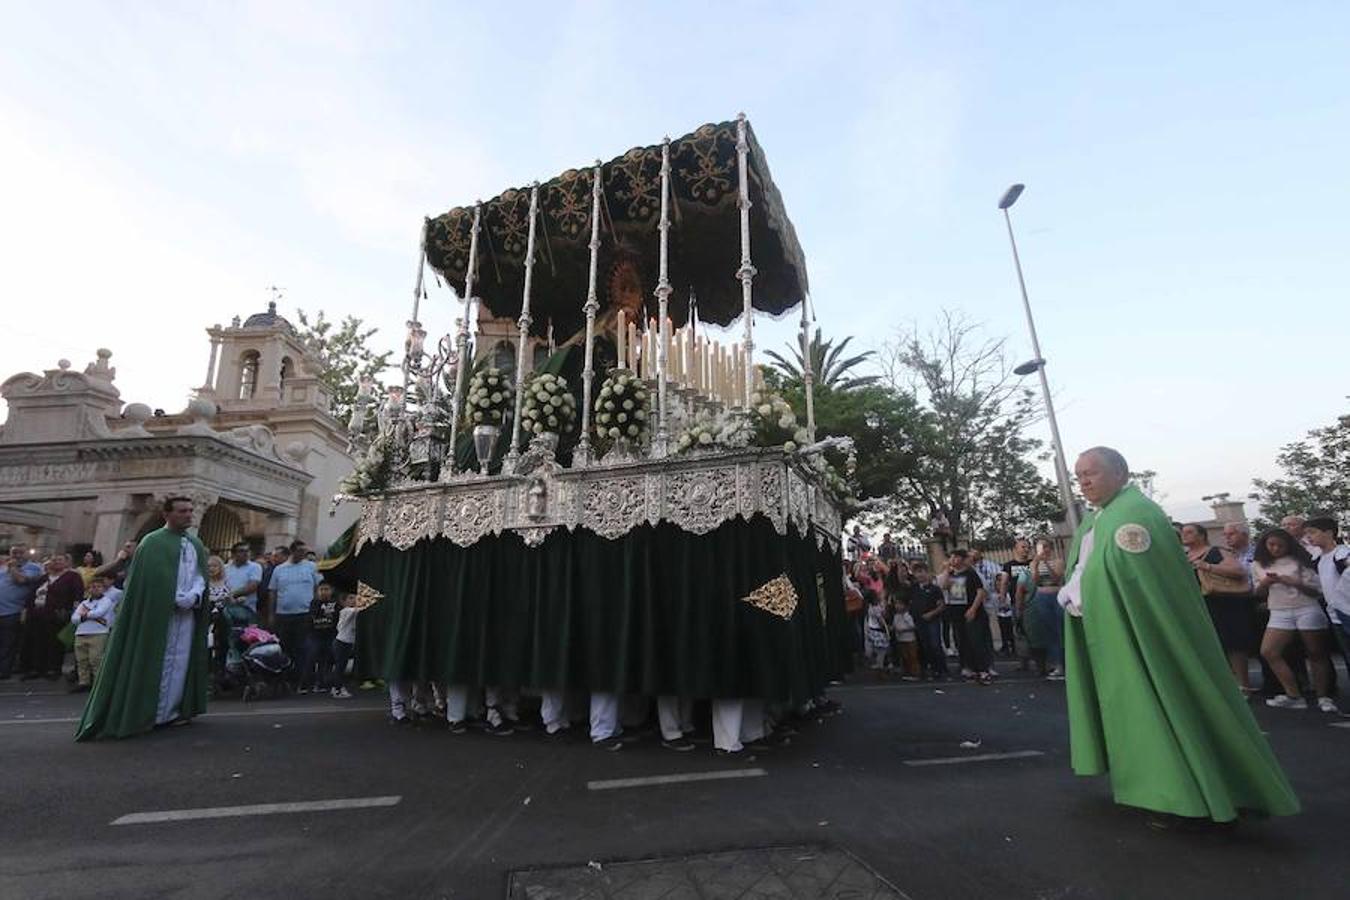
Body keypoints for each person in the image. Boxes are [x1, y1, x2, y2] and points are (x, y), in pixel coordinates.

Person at [1060, 447, 1298, 824]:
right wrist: (1074, 589)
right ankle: (1177, 789)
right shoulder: (1097, 520)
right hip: (1115, 633)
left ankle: (1188, 795)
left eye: (1093, 473)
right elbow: (1089, 568)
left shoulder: (1134, 516)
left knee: (1168, 701)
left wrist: (1078, 592)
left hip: (1148, 635)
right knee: (1142, 710)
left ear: (1121, 473)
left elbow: (1128, 576)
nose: (1084, 482)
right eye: (1079, 476)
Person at [76, 496, 211, 740]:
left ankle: (174, 710)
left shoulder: (196, 544)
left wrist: (195, 594)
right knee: (154, 659)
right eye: (183, 511)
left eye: (191, 510)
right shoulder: (152, 543)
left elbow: (201, 576)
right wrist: (174, 597)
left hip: (187, 616)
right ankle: (150, 712)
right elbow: (149, 582)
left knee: (180, 662)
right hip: (158, 615)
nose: (189, 515)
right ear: (167, 514)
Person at [1253, 528, 1336, 713]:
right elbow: (1257, 593)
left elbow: (1317, 591)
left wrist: (1293, 582)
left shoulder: (1301, 560)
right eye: (1271, 545)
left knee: (1316, 652)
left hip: (1306, 607)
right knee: (1269, 651)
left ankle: (1323, 696)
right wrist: (1265, 584)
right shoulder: (1259, 564)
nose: (1275, 549)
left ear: (1289, 545)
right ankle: (1293, 694)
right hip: (1279, 610)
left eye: (1280, 545)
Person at [1180, 523, 1255, 693]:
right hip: (1199, 603)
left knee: (1233, 644)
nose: (1185, 535)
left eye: (1190, 532)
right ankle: (1227, 683)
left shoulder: (1216, 551)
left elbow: (1239, 570)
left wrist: (1207, 566)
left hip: (1223, 600)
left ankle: (1244, 684)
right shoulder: (1183, 556)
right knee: (1213, 644)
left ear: (1202, 535)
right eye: (1183, 532)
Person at [267, 539, 321, 687]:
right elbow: (273, 592)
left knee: (303, 647)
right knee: (285, 646)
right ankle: (287, 678)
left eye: (305, 552)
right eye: (300, 551)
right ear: (293, 552)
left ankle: (304, 678)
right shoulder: (279, 569)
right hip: (284, 614)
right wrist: (271, 614)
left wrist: (316, 609)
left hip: (304, 613)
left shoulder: (311, 567)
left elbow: (318, 588)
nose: (303, 554)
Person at [22, 553, 84, 681]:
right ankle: (37, 668)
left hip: (57, 615)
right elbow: (32, 593)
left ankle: (53, 668)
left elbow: (78, 595)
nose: (56, 562)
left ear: (66, 562)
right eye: (54, 560)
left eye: (59, 560)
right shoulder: (44, 577)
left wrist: (72, 612)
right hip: (38, 614)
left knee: (55, 643)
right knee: (38, 641)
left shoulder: (72, 577)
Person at [936, 549, 993, 684]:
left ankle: (983, 670)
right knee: (962, 641)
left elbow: (980, 592)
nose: (953, 560)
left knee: (976, 641)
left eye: (956, 557)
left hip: (972, 611)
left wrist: (973, 609)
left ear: (962, 559)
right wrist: (947, 572)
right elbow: (943, 586)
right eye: (951, 557)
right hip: (956, 612)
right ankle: (969, 668)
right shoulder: (951, 574)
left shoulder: (971, 574)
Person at [1304, 517, 1350, 661]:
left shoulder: (1341, 554)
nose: (1309, 537)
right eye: (1307, 534)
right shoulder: (1317, 558)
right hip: (1334, 613)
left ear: (1329, 533)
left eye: (1312, 532)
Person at [0, 545, 43, 680]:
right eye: (14, 552)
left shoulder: (32, 568)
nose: (17, 555)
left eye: (20, 552)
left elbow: (21, 580)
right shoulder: (4, 567)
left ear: (26, 554)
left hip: (12, 611)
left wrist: (13, 567)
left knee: (8, 643)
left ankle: (4, 670)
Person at [1023, 540, 1064, 679]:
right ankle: (1056, 664)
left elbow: (1057, 578)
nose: (1043, 549)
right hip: (1042, 596)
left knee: (1060, 629)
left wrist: (1046, 563)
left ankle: (1064, 662)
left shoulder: (1058, 561)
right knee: (1048, 631)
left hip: (1056, 595)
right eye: (1040, 547)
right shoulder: (1034, 563)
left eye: (1046, 546)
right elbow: (1035, 581)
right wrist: (1035, 564)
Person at [70, 575, 116, 692]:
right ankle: (83, 682)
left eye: (98, 587)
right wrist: (87, 615)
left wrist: (85, 615)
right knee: (82, 660)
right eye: (92, 587)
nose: (95, 589)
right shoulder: (84, 603)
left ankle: (98, 684)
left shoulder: (106, 601)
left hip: (98, 632)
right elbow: (74, 619)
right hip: (81, 633)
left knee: (96, 660)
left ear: (103, 589)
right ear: (88, 589)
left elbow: (99, 612)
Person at [908, 562, 947, 678]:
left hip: (932, 620)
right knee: (925, 645)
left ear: (927, 572)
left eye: (922, 572)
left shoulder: (935, 589)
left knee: (935, 644)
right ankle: (931, 668)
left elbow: (941, 605)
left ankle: (941, 669)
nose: (920, 575)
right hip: (918, 621)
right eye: (917, 572)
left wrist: (931, 613)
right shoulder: (913, 588)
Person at [303, 582, 340, 694]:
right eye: (322, 589)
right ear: (317, 591)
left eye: (326, 589)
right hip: (315, 636)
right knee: (310, 659)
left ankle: (321, 683)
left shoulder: (335, 604)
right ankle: (305, 684)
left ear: (331, 590)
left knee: (326, 660)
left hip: (330, 635)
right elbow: (312, 617)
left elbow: (337, 618)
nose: (324, 592)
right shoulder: (314, 603)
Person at [330, 593, 358, 699]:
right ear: (344, 601)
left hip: (347, 643)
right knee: (340, 667)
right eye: (350, 598)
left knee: (341, 667)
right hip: (341, 643)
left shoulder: (352, 612)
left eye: (355, 598)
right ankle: (337, 689)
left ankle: (336, 687)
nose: (354, 600)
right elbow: (357, 609)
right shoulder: (346, 611)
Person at [223, 542, 263, 614]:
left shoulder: (255, 567)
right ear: (233, 554)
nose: (246, 553)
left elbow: (252, 586)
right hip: (226, 607)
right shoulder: (225, 568)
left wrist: (230, 595)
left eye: (247, 551)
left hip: (246, 607)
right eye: (241, 551)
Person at [891, 599, 919, 678]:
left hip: (910, 639)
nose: (897, 606)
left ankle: (915, 672)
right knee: (904, 656)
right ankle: (907, 671)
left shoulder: (907, 616)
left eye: (900, 604)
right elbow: (894, 625)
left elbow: (913, 626)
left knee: (912, 656)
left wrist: (903, 630)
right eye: (896, 604)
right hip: (900, 639)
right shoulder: (896, 616)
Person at [863, 590, 890, 670]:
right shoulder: (876, 608)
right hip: (878, 630)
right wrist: (886, 629)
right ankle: (880, 668)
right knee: (881, 651)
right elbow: (880, 620)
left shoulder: (869, 607)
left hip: (872, 630)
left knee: (878, 650)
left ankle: (879, 665)